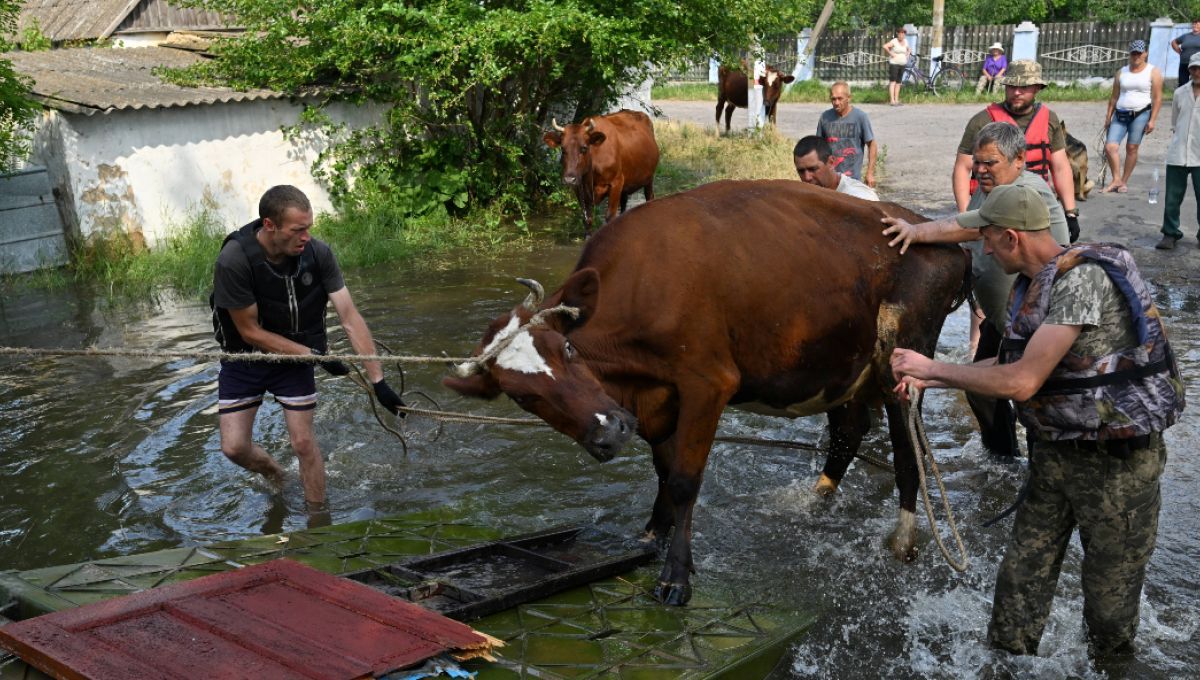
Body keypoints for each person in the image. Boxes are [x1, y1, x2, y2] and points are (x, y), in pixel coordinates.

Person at [890, 182, 1183, 662]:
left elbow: (1024, 382)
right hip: (1053, 456)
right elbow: (1011, 366)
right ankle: (1007, 666)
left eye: (986, 238)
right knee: (1016, 597)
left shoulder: (1082, 281)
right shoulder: (1033, 286)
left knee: (1109, 615)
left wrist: (932, 366)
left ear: (1012, 237)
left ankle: (1113, 668)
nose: (982, 248)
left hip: (1118, 469)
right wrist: (930, 381)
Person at [212, 185, 405, 517]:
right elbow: (250, 331)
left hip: (296, 362)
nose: (306, 236)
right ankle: (274, 473)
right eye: (297, 229)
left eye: (309, 227)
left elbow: (349, 315)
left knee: (302, 443)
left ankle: (318, 519)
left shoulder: (318, 254)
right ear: (269, 225)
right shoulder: (235, 259)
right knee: (234, 447)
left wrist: (378, 381)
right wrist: (315, 356)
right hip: (244, 359)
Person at [882, 121, 1069, 457]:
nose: (980, 170)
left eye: (989, 163)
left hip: (1039, 321)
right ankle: (1003, 458)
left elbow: (968, 227)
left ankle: (1031, 455)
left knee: (1041, 389)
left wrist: (915, 231)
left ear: (1019, 161)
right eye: (977, 162)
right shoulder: (991, 190)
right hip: (1005, 322)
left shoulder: (1026, 193)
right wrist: (929, 374)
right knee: (981, 389)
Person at [952, 60, 1079, 236]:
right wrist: (965, 214)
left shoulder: (1050, 119)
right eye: (1011, 86)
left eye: (1024, 87)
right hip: (992, 207)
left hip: (1035, 205)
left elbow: (1060, 167)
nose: (1016, 92)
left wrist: (1070, 212)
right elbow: (962, 167)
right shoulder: (981, 121)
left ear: (1037, 88)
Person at [1101, 40, 1162, 194]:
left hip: (1141, 114)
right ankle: (1116, 178)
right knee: (1110, 146)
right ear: (1129, 54)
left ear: (1145, 54)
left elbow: (1157, 98)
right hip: (1120, 113)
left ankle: (1123, 181)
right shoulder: (1122, 72)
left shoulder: (1153, 71)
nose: (1136, 56)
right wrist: (1108, 116)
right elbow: (1114, 96)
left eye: (1139, 53)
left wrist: (1152, 120)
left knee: (1132, 148)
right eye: (1133, 53)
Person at [1157, 53, 1200, 250]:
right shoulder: (1180, 93)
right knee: (1172, 198)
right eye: (1193, 68)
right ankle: (1170, 233)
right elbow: (1175, 122)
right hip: (1178, 151)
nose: (1197, 72)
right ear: (1189, 70)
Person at [815, 81, 878, 185]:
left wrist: (870, 173)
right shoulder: (825, 118)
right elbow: (818, 147)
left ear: (849, 98)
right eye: (833, 99)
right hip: (830, 180)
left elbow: (872, 145)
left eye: (840, 98)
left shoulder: (860, 117)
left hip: (853, 180)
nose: (836, 102)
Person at [793, 135, 879, 200]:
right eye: (801, 171)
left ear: (831, 162)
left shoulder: (859, 197)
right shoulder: (802, 196)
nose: (807, 177)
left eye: (813, 169)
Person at [883, 27, 912, 107]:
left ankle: (897, 100)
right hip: (894, 64)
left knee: (899, 83)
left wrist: (908, 53)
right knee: (893, 82)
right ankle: (892, 101)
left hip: (902, 64)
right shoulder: (894, 41)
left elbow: (908, 48)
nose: (902, 35)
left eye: (903, 33)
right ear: (897, 34)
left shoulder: (905, 41)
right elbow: (885, 46)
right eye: (900, 33)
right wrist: (891, 54)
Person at [1170, 19, 1200, 88]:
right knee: (1183, 84)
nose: (1195, 25)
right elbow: (1174, 42)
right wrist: (1179, 52)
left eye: (1197, 24)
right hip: (1184, 63)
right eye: (1194, 24)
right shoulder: (1186, 36)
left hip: (1197, 64)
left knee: (1197, 83)